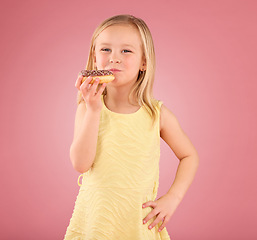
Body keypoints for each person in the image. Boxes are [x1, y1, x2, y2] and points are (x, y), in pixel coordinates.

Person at [64, 14, 199, 240]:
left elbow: (189, 156)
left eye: (126, 51)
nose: (114, 58)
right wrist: (94, 109)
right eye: (105, 49)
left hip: (138, 223)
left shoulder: (157, 114)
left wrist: (172, 198)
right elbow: (80, 164)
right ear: (94, 58)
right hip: (96, 221)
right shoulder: (87, 109)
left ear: (144, 62)